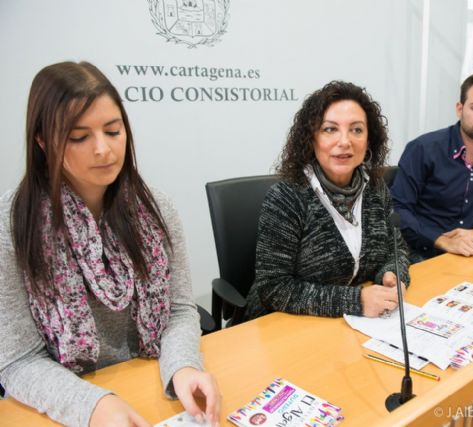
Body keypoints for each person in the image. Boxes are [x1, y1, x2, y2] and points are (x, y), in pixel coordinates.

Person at [0, 62, 220, 427]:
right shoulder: (12, 223)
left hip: (151, 382)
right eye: (79, 137)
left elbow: (180, 310)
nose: (103, 149)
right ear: (42, 141)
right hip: (66, 403)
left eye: (113, 131)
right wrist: (94, 406)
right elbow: (16, 360)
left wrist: (183, 366)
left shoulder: (155, 208)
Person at [244, 81, 410, 320]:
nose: (345, 141)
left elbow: (397, 249)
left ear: (369, 140)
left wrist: (393, 274)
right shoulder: (287, 196)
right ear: (311, 139)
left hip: (350, 324)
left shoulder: (375, 188)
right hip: (280, 323)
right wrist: (355, 301)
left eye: (356, 130)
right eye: (330, 129)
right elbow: (273, 288)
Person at [391, 70, 473, 262]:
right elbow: (397, 210)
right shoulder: (423, 148)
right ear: (459, 109)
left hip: (464, 254)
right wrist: (441, 240)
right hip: (415, 252)